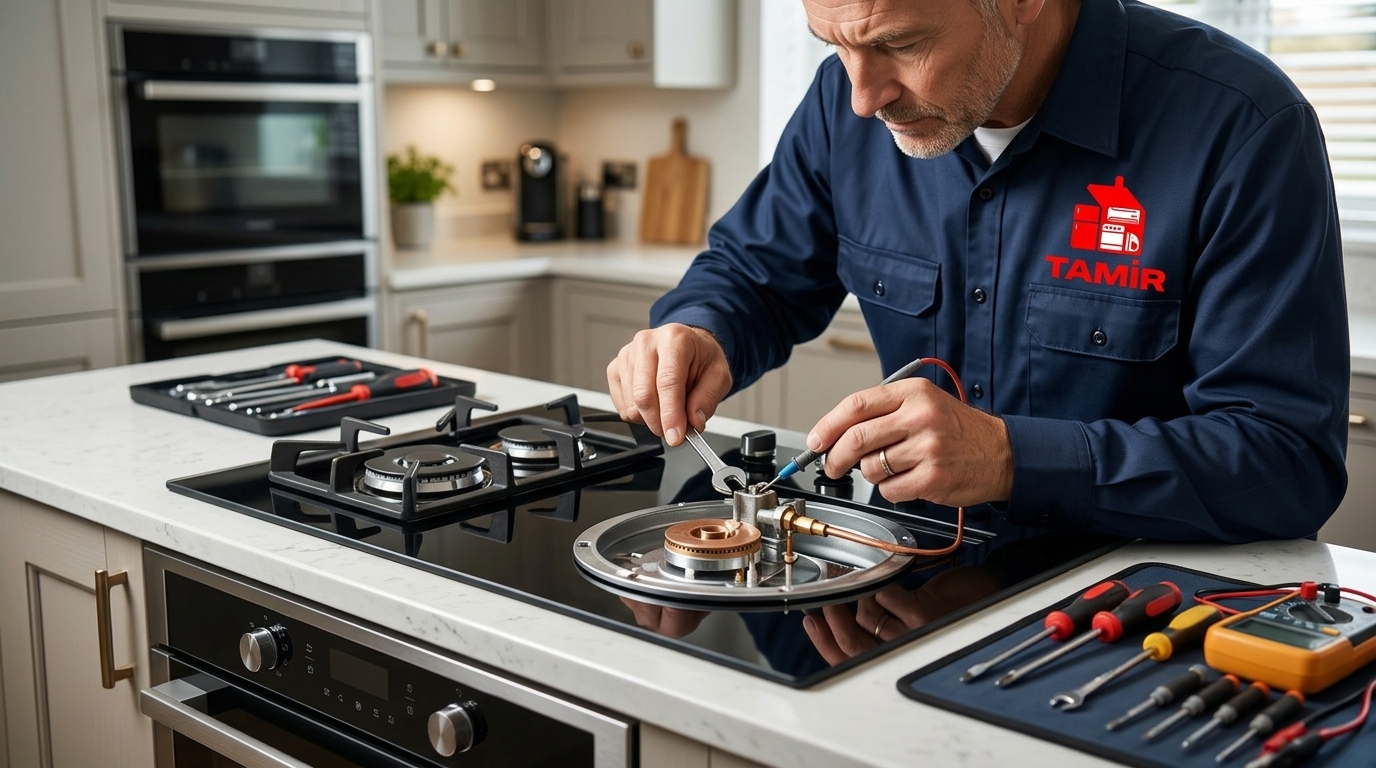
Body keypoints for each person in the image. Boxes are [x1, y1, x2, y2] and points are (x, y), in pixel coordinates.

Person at [607, 0, 1349, 545]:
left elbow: (1287, 462)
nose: (864, 97)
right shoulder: (846, 103)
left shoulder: (1242, 125)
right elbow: (753, 274)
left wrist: (1011, 458)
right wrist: (698, 329)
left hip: (1138, 611)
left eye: (899, 43)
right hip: (906, 573)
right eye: (835, 47)